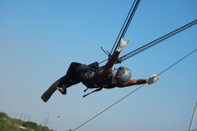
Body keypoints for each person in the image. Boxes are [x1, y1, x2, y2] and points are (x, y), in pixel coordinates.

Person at [43, 38, 159, 100]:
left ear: (118, 74)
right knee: (93, 67)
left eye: (120, 69)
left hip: (88, 76)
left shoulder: (107, 73)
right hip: (90, 84)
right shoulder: (119, 83)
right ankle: (65, 87)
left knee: (74, 65)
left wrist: (118, 50)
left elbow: (111, 62)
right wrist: (146, 81)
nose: (119, 68)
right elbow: (133, 82)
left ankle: (64, 85)